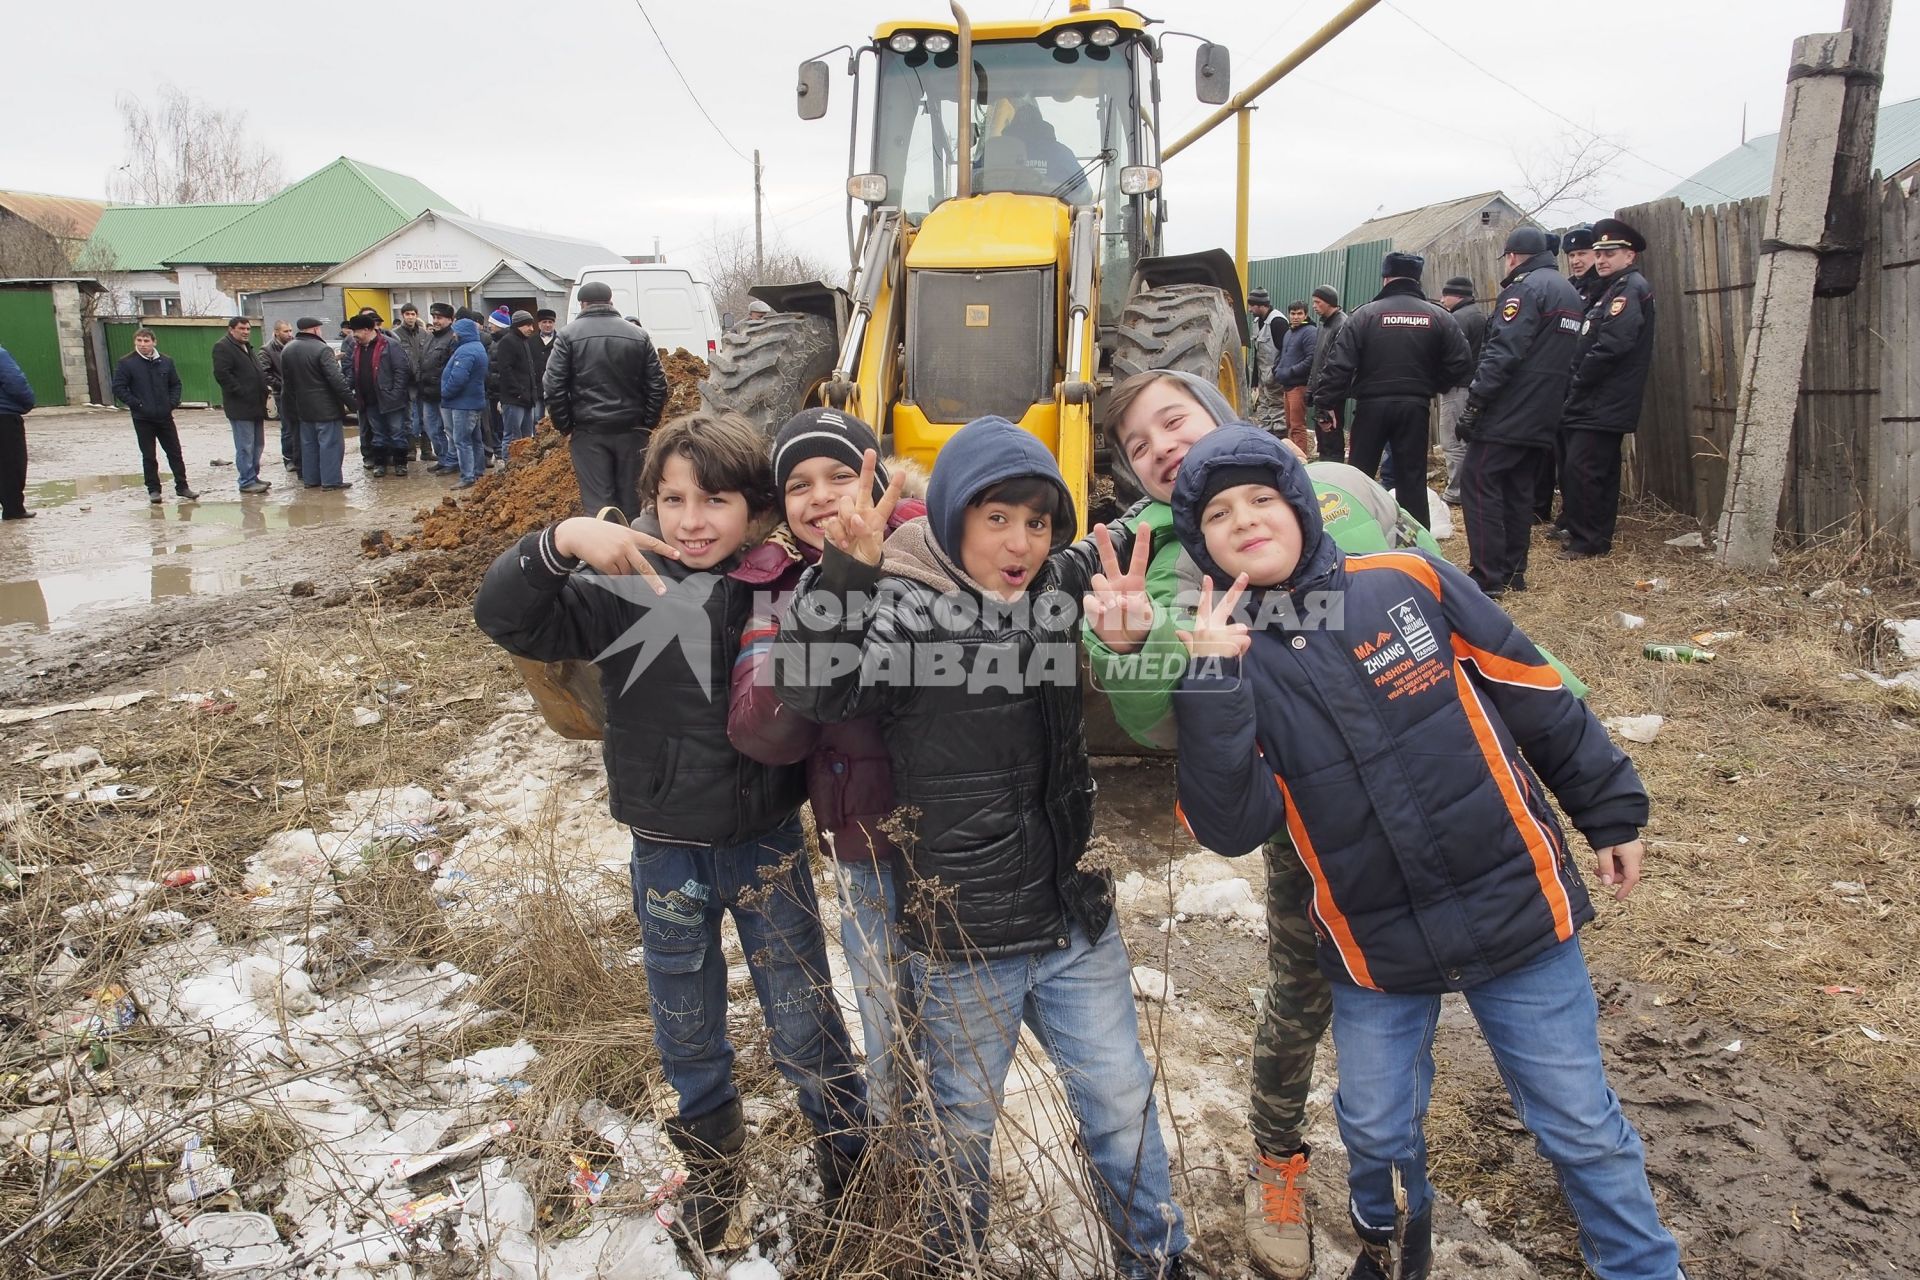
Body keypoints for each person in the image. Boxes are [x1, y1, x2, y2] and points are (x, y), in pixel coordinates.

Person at [1086, 367, 1588, 1280]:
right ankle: (1278, 1161)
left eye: (1174, 420)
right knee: (1305, 989)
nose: (1161, 446)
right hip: (1310, 818)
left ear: (1222, 411)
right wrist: (1129, 648)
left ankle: (1554, 1173)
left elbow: (1445, 599)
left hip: (1445, 786)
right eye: (1137, 447)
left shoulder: (1341, 492)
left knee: (1521, 1002)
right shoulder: (1158, 564)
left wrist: (1565, 719)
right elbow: (1160, 718)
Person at [1167, 424, 1688, 1280]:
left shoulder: (1406, 583)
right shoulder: (1228, 659)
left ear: (1300, 503)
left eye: (1262, 497)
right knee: (1375, 1124)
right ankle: (1384, 1236)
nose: (1245, 519)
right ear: (1204, 546)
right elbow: (1230, 823)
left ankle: (1640, 1267)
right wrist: (1214, 684)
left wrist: (1610, 810)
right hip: (1374, 943)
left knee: (1577, 1120)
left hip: (1515, 902)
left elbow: (1534, 692)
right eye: (1219, 514)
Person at [773, 418, 1198, 1280]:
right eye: (997, 518)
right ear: (957, 515)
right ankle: (944, 1260)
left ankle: (1155, 1259)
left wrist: (1243, 472)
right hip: (966, 941)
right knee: (958, 1127)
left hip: (1072, 917)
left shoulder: (1055, 587)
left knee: (1121, 1104)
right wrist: (846, 570)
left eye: (1038, 522)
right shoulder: (902, 605)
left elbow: (1140, 526)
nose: (1020, 541)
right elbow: (814, 685)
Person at [474, 412, 868, 1250]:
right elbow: (505, 617)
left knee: (803, 1018)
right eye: (673, 498)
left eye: (716, 500)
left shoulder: (786, 585)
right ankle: (714, 1173)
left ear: (756, 509)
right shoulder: (623, 587)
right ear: (649, 502)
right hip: (665, 852)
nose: (692, 520)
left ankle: (850, 1166)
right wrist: (565, 538)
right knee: (685, 1020)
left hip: (766, 846)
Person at [727, 407, 928, 1125]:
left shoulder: (931, 552)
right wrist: (840, 582)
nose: (822, 497)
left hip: (958, 834)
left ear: (880, 478)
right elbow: (764, 730)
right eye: (799, 485)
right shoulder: (777, 591)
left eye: (843, 476)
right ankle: (899, 1153)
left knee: (956, 1016)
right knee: (885, 1013)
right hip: (864, 841)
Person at [1454, 229, 1584, 596]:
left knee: (1479, 483)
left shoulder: (1525, 290)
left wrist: (1477, 401)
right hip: (1544, 409)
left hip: (1510, 407)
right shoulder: (1568, 291)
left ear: (1512, 257)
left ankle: (1487, 576)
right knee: (1517, 489)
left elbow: (1503, 351)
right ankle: (1513, 572)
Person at [1312, 253, 1472, 531]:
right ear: (1417, 279)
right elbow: (1462, 362)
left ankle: (1353, 534)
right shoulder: (1438, 316)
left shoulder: (1365, 314)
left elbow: (1338, 365)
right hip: (1415, 406)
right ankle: (1416, 545)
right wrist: (1431, 385)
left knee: (1358, 476)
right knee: (1412, 479)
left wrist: (1325, 404)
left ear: (1385, 278)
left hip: (1371, 407)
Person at [1560, 218, 1656, 561]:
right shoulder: (1611, 288)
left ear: (1629, 256)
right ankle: (1590, 534)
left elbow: (1613, 345)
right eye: (1598, 253)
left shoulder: (1628, 289)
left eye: (1609, 254)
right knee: (1593, 468)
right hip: (1595, 398)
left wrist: (1577, 381)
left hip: (1602, 398)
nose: (1601, 260)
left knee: (1584, 469)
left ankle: (1589, 540)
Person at [544, 279, 668, 516]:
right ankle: (636, 549)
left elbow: (553, 387)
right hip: (632, 431)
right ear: (611, 302)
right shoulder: (638, 335)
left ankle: (607, 550)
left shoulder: (568, 336)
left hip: (589, 433)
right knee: (633, 500)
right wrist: (647, 422)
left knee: (599, 503)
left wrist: (566, 426)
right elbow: (658, 385)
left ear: (582, 304)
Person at [112, 329, 198, 505]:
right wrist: (137, 404)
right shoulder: (127, 363)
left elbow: (175, 384)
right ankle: (154, 490)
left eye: (146, 341)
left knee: (175, 452)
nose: (143, 344)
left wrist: (172, 403)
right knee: (149, 455)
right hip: (143, 418)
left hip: (165, 416)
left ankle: (182, 486)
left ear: (154, 342)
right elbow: (119, 387)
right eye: (139, 341)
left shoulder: (165, 362)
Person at [279, 318, 356, 491]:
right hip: (326, 408)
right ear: (314, 330)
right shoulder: (322, 349)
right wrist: (352, 404)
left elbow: (287, 382)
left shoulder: (288, 349)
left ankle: (311, 479)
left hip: (303, 408)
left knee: (308, 445)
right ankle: (331, 481)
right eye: (319, 329)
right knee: (330, 445)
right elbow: (337, 380)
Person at [1433, 278, 1485, 507]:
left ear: (1458, 295)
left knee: (1453, 442)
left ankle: (1457, 491)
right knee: (1465, 441)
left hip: (1458, 388)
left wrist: (1440, 383)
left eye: (1446, 295)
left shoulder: (1459, 319)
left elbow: (1451, 357)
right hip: (1472, 386)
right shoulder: (1477, 315)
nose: (1442, 300)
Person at [345, 314, 413, 477]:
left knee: (397, 433)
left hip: (391, 400)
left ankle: (400, 464)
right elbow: (353, 372)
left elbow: (402, 371)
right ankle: (380, 464)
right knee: (378, 435)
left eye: (356, 331)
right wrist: (347, 391)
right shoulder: (357, 348)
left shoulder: (390, 345)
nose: (353, 335)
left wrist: (395, 393)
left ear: (367, 330)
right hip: (370, 400)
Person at [211, 317, 272, 495]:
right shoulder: (223, 347)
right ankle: (246, 480)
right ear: (231, 329)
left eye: (248, 329)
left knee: (258, 445)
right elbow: (222, 374)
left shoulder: (246, 346)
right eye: (242, 328)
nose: (246, 332)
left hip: (256, 405)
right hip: (240, 406)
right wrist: (241, 392)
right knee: (245, 445)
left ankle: (253, 476)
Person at [439, 317, 491, 489]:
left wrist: (445, 392)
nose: (453, 335)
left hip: (463, 403)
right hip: (473, 401)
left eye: (456, 331)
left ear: (462, 333)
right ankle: (478, 472)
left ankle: (467, 476)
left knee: (462, 440)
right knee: (475, 439)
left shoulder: (466, 351)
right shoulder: (477, 347)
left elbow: (458, 378)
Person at [417, 304, 462, 473]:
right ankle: (443, 459)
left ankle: (452, 461)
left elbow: (453, 368)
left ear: (450, 320)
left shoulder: (453, 338)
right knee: (432, 429)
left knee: (450, 430)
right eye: (434, 317)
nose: (436, 321)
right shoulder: (430, 337)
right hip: (428, 393)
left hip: (445, 394)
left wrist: (448, 389)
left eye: (440, 318)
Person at [488, 311, 539, 457]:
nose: (531, 328)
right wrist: (518, 391)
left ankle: (523, 469)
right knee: (512, 437)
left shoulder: (524, 341)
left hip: (527, 399)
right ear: (518, 326)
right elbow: (505, 370)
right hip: (513, 399)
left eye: (531, 325)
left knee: (526, 438)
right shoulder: (508, 341)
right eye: (527, 325)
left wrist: (531, 393)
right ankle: (508, 467)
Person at [1305, 286, 1346, 464]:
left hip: (1332, 393)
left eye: (1318, 302)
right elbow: (1317, 361)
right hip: (1321, 392)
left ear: (1330, 302)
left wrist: (1326, 393)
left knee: (1331, 436)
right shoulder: (1324, 325)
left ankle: (1334, 469)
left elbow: (1336, 364)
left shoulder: (1341, 325)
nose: (1314, 306)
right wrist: (1311, 388)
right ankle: (1324, 464)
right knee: (1322, 437)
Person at [393, 303, 437, 464]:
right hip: (407, 383)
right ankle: (410, 450)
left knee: (426, 418)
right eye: (407, 314)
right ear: (403, 315)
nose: (410, 317)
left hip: (423, 382)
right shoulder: (395, 335)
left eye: (413, 314)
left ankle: (427, 450)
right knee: (409, 418)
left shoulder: (425, 334)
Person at [1274, 301, 1318, 458]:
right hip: (1287, 386)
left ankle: (1301, 459)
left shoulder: (1310, 332)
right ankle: (1292, 456)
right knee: (1290, 425)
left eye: (1299, 313)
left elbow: (1311, 359)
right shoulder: (1289, 332)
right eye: (1293, 313)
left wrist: (1289, 372)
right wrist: (1277, 369)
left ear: (1305, 314)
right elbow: (1282, 354)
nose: (1296, 317)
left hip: (1299, 386)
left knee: (1297, 426)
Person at [0, 343, 34, 521]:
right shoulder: (1, 355)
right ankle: (13, 508)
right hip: (4, 416)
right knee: (11, 464)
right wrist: (28, 402)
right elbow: (15, 382)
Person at [260, 320, 298, 472]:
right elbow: (264, 372)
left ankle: (299, 457)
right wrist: (280, 385)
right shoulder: (267, 350)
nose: (289, 334)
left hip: (299, 392)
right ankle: (288, 459)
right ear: (276, 332)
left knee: (300, 426)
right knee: (288, 427)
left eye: (290, 331)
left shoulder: (295, 345)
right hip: (281, 393)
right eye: (285, 331)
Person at [1248, 288, 1283, 437]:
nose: (1249, 309)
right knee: (1263, 412)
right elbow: (1257, 353)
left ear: (1261, 305)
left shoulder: (1278, 322)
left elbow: (1285, 351)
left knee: (1278, 412)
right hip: (1263, 377)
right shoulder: (1257, 322)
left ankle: (1281, 440)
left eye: (1251, 305)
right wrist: (1255, 381)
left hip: (1275, 377)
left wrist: (1276, 373)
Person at [530, 308, 559, 423]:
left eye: (550, 322)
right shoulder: (530, 341)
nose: (547, 325)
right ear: (539, 324)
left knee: (555, 419)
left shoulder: (561, 340)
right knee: (537, 419)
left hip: (555, 387)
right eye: (544, 322)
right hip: (537, 388)